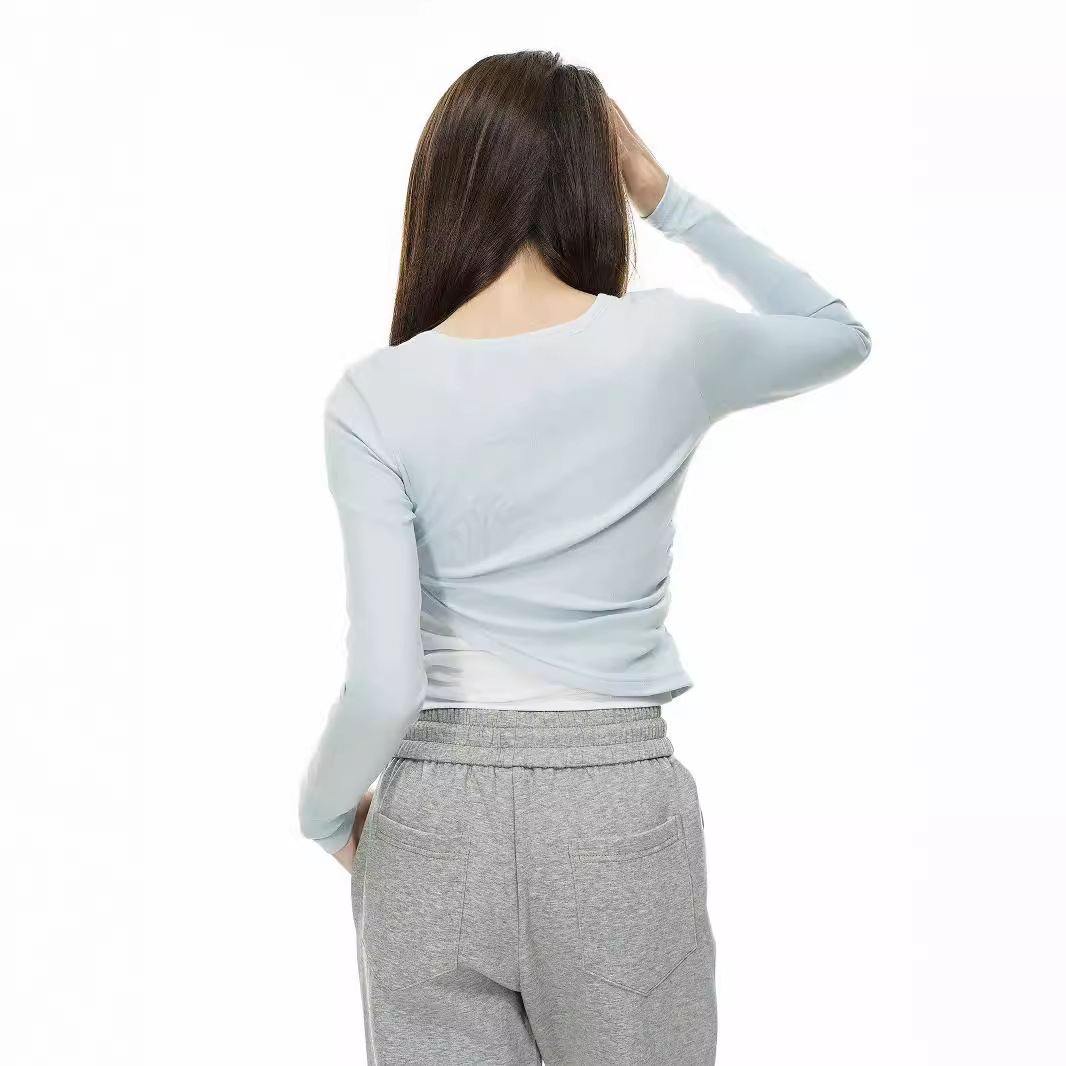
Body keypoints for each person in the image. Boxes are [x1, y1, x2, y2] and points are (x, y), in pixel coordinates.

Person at [297, 49, 871, 1066]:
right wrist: (667, 198)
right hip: (612, 811)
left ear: (444, 181)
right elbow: (835, 334)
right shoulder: (666, 345)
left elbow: (384, 682)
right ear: (592, 179)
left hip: (431, 818)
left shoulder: (374, 395)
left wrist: (325, 813)